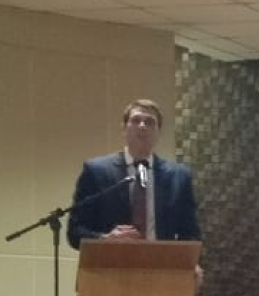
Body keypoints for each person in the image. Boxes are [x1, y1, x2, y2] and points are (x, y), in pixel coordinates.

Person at [67, 98, 203, 283]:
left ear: (158, 132)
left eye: (150, 122)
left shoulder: (179, 177)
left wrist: (190, 263)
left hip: (162, 277)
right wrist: (105, 239)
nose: (142, 126)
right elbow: (75, 232)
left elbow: (190, 233)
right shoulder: (96, 171)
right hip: (109, 276)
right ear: (124, 128)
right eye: (136, 120)